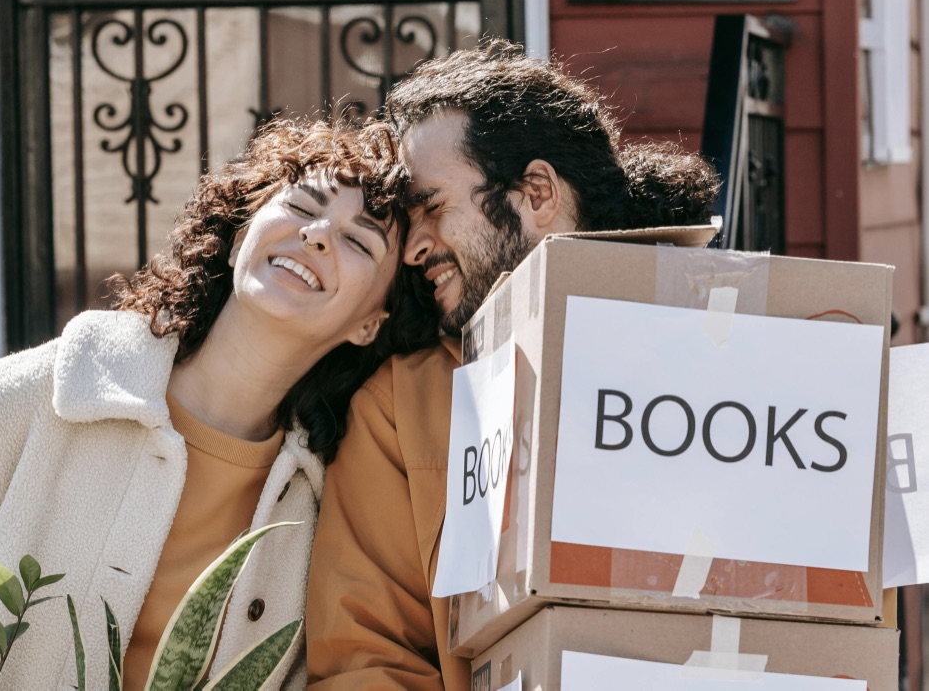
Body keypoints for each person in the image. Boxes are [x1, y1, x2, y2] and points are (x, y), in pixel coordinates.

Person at [0, 119, 439, 690]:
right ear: (239, 237)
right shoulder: (35, 398)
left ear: (371, 324)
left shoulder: (328, 496)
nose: (317, 235)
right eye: (302, 205)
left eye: (359, 242)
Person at [306, 40, 721, 688]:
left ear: (536, 192)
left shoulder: (733, 344)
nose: (412, 248)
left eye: (432, 207)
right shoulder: (404, 407)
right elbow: (368, 659)